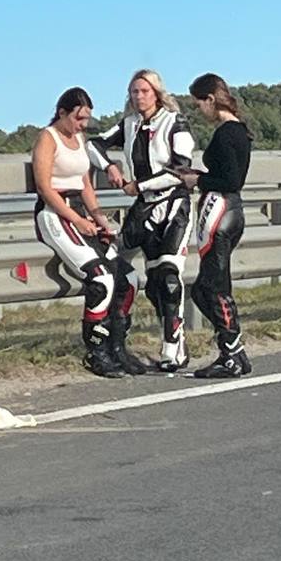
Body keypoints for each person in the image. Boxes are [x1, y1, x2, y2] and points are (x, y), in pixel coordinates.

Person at [87, 70, 196, 371]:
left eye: (145, 91)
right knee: (148, 281)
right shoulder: (129, 124)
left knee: (169, 276)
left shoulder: (175, 122)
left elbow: (181, 169)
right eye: (134, 92)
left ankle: (173, 347)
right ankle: (116, 340)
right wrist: (109, 166)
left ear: (157, 93)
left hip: (173, 204)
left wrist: (140, 185)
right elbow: (93, 144)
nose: (139, 97)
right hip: (143, 207)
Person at [33, 88, 146, 377]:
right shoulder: (48, 138)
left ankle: (118, 346)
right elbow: (45, 188)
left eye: (86, 119)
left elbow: (85, 185)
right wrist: (76, 219)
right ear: (62, 113)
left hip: (81, 213)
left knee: (128, 279)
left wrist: (99, 219)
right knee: (101, 279)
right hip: (56, 213)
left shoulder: (80, 139)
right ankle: (96, 351)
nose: (82, 124)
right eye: (78, 118)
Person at [177, 73, 253, 378]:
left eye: (199, 104)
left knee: (212, 287)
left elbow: (231, 180)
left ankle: (231, 353)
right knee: (207, 287)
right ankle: (233, 350)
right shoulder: (240, 130)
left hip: (221, 210)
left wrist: (198, 180)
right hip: (230, 210)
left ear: (210, 99)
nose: (199, 111)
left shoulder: (226, 133)